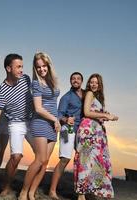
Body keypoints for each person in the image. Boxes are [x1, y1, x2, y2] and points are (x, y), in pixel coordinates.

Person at [0, 53, 34, 196]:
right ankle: (6, 186)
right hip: (15, 123)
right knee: (16, 157)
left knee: (43, 156)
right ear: (9, 68)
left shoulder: (26, 79)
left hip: (32, 121)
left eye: (22, 66)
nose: (22, 70)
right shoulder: (1, 91)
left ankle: (29, 190)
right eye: (18, 67)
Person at [19, 52, 61, 200]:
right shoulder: (36, 83)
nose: (42, 69)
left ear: (48, 65)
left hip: (53, 125)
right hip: (41, 122)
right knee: (39, 159)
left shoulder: (54, 81)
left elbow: (54, 104)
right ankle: (23, 192)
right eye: (38, 67)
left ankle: (32, 192)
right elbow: (38, 108)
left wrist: (57, 121)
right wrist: (55, 120)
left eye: (44, 66)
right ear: (35, 69)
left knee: (45, 163)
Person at [74, 73, 118, 200]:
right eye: (91, 82)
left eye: (96, 83)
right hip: (88, 131)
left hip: (97, 133)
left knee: (98, 162)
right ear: (89, 83)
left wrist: (105, 115)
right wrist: (105, 116)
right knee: (85, 162)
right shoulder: (89, 94)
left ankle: (90, 191)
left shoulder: (98, 97)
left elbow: (95, 113)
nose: (93, 84)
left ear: (100, 85)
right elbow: (87, 112)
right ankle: (81, 195)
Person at [49, 72, 84, 200]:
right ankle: (52, 191)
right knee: (64, 159)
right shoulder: (66, 97)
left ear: (81, 81)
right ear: (70, 81)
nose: (75, 80)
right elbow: (58, 116)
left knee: (83, 160)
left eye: (78, 78)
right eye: (73, 79)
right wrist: (66, 119)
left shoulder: (86, 95)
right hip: (65, 130)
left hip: (81, 131)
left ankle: (82, 193)